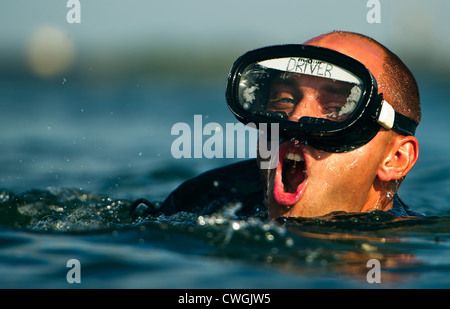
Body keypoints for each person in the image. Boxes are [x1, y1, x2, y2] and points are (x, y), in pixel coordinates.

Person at [130, 31, 423, 220]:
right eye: (283, 100)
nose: (295, 118)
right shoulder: (199, 201)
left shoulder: (414, 249)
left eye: (336, 109)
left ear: (395, 158)